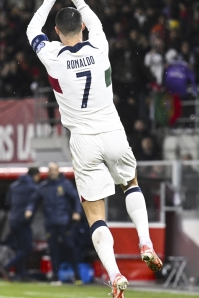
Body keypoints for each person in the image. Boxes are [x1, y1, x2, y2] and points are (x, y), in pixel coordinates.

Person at [27, 1, 162, 296]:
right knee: (130, 182)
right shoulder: (99, 45)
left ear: (57, 31)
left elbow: (31, 29)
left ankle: (114, 276)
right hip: (112, 130)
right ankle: (146, 242)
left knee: (94, 213)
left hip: (83, 139)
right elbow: (94, 20)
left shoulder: (52, 55)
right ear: (84, 28)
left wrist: (49, 0)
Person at [27, 162, 83, 284]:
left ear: (58, 171)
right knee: (53, 250)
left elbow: (75, 199)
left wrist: (77, 212)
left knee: (70, 248)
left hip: (65, 222)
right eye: (50, 170)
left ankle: (77, 276)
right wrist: (29, 210)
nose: (52, 172)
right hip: (50, 223)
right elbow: (34, 200)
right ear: (47, 172)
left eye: (54, 169)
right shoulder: (43, 187)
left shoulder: (65, 184)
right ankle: (55, 276)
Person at [0, 167, 41, 281]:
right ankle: (7, 266)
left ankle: (22, 274)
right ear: (36, 175)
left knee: (20, 249)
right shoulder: (33, 188)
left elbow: (8, 201)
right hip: (23, 221)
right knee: (27, 248)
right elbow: (33, 202)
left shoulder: (14, 186)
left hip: (12, 220)